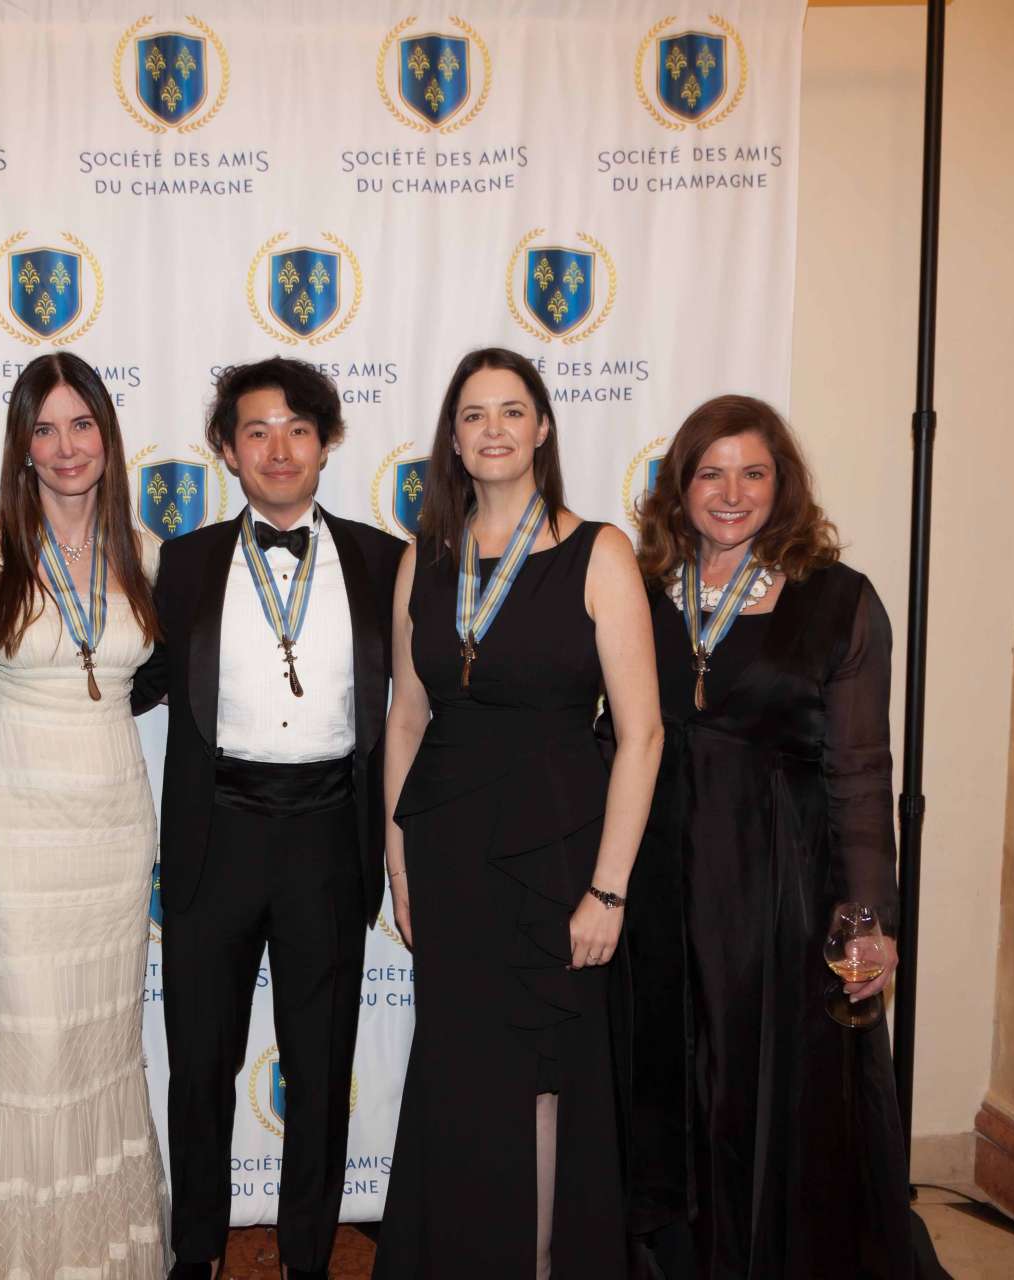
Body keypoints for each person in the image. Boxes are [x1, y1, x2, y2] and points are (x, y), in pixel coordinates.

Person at [373, 348, 662, 1279]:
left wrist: (608, 891)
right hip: (447, 856)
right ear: (453, 441)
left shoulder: (598, 551)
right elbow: (406, 718)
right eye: (472, 415)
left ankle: (538, 1265)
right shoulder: (424, 559)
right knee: (463, 1078)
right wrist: (398, 863)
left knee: (544, 1079)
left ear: (542, 428)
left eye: (510, 410)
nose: (492, 429)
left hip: (556, 857)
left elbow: (643, 734)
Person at [611, 395, 911, 1280]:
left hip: (781, 894)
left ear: (784, 486)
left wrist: (870, 918)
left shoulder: (838, 600)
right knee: (670, 1080)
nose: (732, 493)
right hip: (661, 887)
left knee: (766, 1090)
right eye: (711, 473)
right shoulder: (639, 594)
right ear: (680, 488)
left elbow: (861, 771)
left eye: (753, 473)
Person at [133, 357, 402, 1280]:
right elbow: (132, 676)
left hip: (330, 832)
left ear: (326, 444)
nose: (278, 449)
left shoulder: (383, 560)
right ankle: (198, 1249)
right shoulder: (183, 563)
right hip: (215, 832)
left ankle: (307, 1256)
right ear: (226, 449)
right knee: (199, 1063)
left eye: (297, 429)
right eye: (256, 431)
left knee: (321, 1068)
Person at [0, 353, 169, 1277]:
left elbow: (156, 679)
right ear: (21, 445)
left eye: (82, 424)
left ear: (108, 436)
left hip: (113, 824)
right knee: (32, 1049)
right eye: (43, 428)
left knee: (101, 1043)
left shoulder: (146, 553)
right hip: (13, 826)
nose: (66, 446)